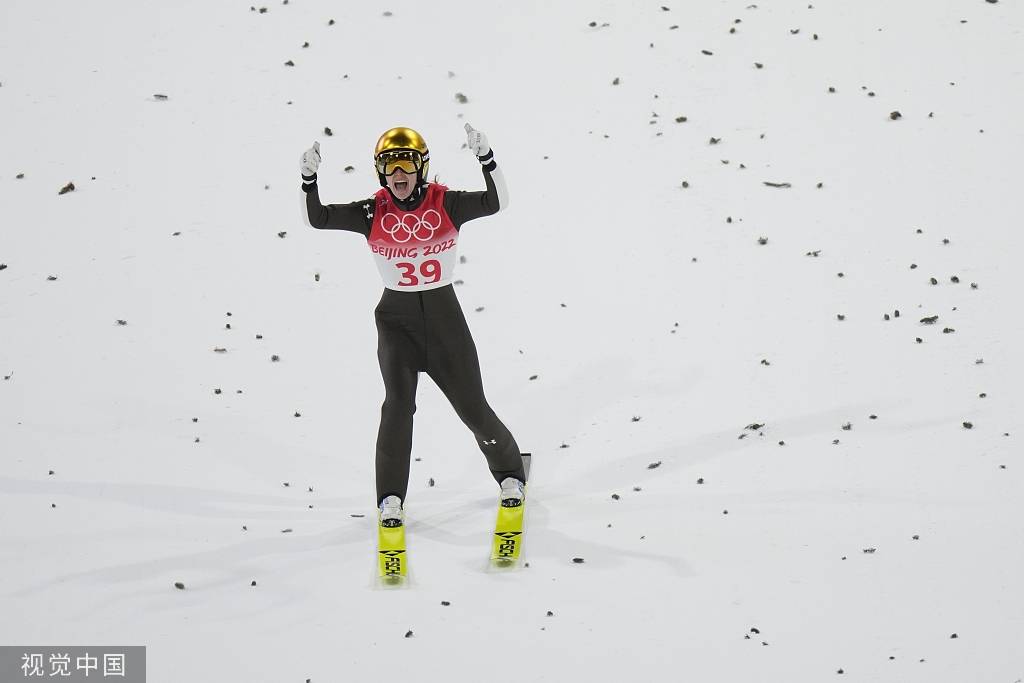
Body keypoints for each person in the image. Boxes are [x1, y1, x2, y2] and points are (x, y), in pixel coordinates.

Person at [299, 125, 527, 530]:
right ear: (380, 175)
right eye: (389, 167)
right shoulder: (373, 212)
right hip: (397, 324)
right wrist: (308, 178)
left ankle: (510, 472)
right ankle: (390, 498)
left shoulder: (446, 204)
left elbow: (496, 203)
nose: (398, 174)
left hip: (444, 322)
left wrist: (487, 158)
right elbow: (317, 218)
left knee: (473, 408)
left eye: (406, 164)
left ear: (421, 168)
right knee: (397, 409)